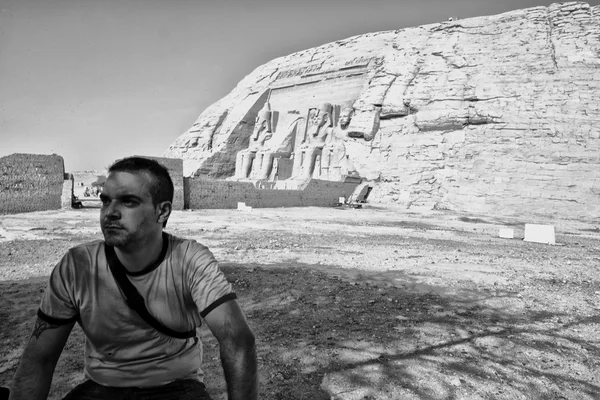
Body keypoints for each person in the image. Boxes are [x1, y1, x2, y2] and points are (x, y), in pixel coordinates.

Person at [8, 157, 258, 400]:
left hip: (176, 387)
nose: (110, 213)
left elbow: (238, 340)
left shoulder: (190, 260)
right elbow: (40, 357)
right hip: (101, 387)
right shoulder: (77, 266)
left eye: (128, 202)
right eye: (106, 201)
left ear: (162, 211)